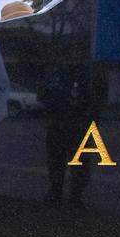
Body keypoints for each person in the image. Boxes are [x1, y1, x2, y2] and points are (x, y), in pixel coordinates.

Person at [41, 64, 96, 207]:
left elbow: (94, 101)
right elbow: (43, 96)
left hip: (78, 128)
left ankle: (76, 197)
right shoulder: (53, 74)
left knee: (79, 164)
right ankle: (56, 192)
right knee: (56, 162)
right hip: (57, 127)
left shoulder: (85, 75)